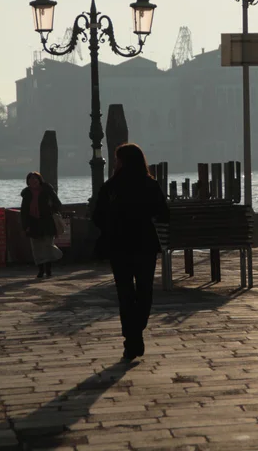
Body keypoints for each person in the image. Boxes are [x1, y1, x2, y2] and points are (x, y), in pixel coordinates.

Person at [92, 143, 170, 361]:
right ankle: (136, 331)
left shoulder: (111, 187)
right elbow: (164, 213)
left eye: (117, 159)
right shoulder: (149, 184)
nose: (115, 163)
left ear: (123, 161)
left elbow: (97, 216)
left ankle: (132, 337)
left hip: (119, 246)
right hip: (145, 244)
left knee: (125, 293)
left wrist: (112, 225)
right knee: (145, 291)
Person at [21, 172, 63, 278]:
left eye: (35, 179)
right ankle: (40, 270)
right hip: (33, 222)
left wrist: (50, 210)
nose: (33, 181)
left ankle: (48, 269)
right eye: (30, 179)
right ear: (28, 182)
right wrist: (25, 226)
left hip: (47, 221)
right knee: (37, 249)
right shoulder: (26, 193)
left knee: (48, 246)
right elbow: (24, 211)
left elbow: (57, 203)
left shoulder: (47, 190)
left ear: (40, 180)